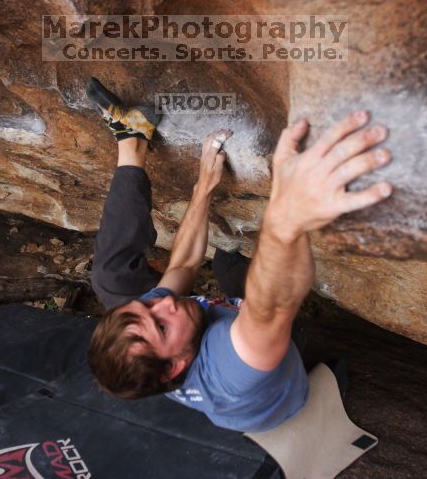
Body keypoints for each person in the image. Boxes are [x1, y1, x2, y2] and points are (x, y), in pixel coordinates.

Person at [85, 78, 392, 432]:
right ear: (174, 368)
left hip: (241, 340)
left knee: (223, 263)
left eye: (147, 306)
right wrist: (287, 211)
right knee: (259, 293)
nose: (162, 302)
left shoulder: (156, 327)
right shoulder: (231, 368)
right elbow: (273, 309)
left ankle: (132, 138)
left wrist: (204, 186)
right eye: (161, 324)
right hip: (277, 393)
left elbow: (183, 265)